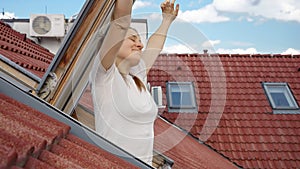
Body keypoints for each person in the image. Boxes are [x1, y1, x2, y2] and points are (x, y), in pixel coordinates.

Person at [91, 0, 179, 166]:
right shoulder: (104, 76)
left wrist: (167, 20)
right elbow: (121, 22)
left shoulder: (136, 78)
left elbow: (154, 47)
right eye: (132, 39)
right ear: (114, 43)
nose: (140, 44)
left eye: (139, 40)